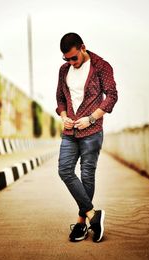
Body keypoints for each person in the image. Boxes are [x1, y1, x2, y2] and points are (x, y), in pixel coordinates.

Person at [56, 33, 118, 242]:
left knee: (86, 175)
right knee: (64, 169)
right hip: (70, 131)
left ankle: (82, 224)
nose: (71, 63)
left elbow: (112, 96)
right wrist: (64, 117)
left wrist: (91, 119)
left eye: (74, 58)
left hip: (91, 131)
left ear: (83, 48)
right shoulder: (64, 70)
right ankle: (93, 215)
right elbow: (60, 99)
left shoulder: (101, 66)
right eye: (67, 59)